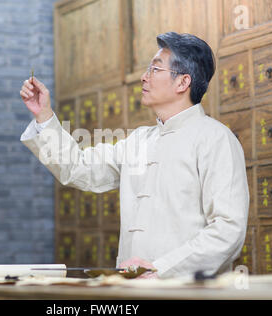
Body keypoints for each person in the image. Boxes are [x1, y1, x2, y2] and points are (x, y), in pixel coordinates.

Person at [19, 32, 249, 279]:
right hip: (133, 288)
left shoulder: (215, 139)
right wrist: (44, 115)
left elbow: (228, 228)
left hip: (188, 291)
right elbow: (78, 168)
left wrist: (163, 269)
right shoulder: (139, 140)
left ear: (182, 83)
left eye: (154, 69)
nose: (143, 77)